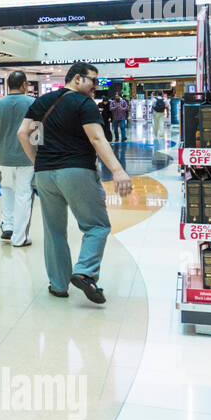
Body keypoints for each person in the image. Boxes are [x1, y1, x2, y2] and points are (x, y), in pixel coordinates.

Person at [16, 62, 134, 305]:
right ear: (78, 78)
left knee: (54, 230)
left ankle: (58, 285)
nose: (95, 88)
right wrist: (118, 170)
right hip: (77, 171)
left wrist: (38, 162)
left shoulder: (42, 103)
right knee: (97, 226)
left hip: (45, 175)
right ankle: (84, 272)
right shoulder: (83, 104)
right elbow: (96, 138)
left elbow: (24, 133)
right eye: (93, 81)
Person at [0, 71, 35, 247]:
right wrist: (40, 154)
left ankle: (8, 225)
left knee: (7, 191)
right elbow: (37, 131)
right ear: (24, 85)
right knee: (24, 194)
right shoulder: (33, 103)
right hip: (27, 157)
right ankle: (20, 237)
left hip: (4, 157)